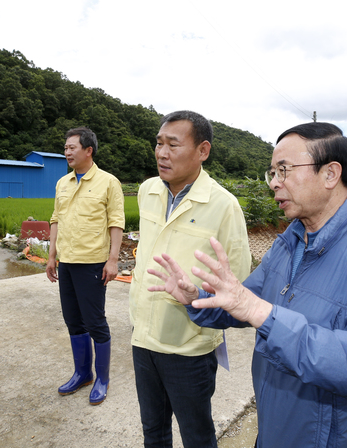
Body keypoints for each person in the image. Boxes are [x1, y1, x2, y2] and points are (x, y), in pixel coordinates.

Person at [147, 122, 347, 448]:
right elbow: (244, 302)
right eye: (272, 172)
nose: (274, 182)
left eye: (284, 170)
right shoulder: (287, 244)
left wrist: (263, 314)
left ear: (330, 174)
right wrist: (196, 298)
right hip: (273, 432)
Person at [129, 110, 251, 447]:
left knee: (197, 435)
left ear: (202, 151)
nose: (161, 153)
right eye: (158, 144)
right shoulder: (148, 191)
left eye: (172, 144)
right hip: (144, 339)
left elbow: (238, 286)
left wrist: (195, 293)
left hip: (190, 347)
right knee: (153, 431)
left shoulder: (224, 206)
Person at [46, 127, 124, 405]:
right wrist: (51, 255)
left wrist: (113, 260)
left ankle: (102, 378)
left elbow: (116, 222)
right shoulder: (62, 183)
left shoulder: (108, 182)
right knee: (73, 321)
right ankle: (83, 374)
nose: (67, 152)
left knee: (95, 322)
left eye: (72, 147)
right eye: (65, 148)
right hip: (66, 262)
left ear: (88, 150)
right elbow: (55, 219)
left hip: (92, 263)